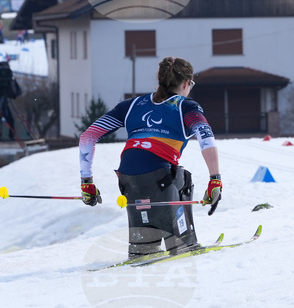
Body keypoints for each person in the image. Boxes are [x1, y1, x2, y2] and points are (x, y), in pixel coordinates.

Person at [78, 57, 222, 257]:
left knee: (145, 191)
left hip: (126, 177)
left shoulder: (132, 105)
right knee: (182, 179)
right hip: (160, 173)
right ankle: (182, 242)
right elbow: (206, 137)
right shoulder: (185, 106)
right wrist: (215, 180)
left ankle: (142, 247)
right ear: (186, 83)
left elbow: (88, 137)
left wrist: (87, 182)